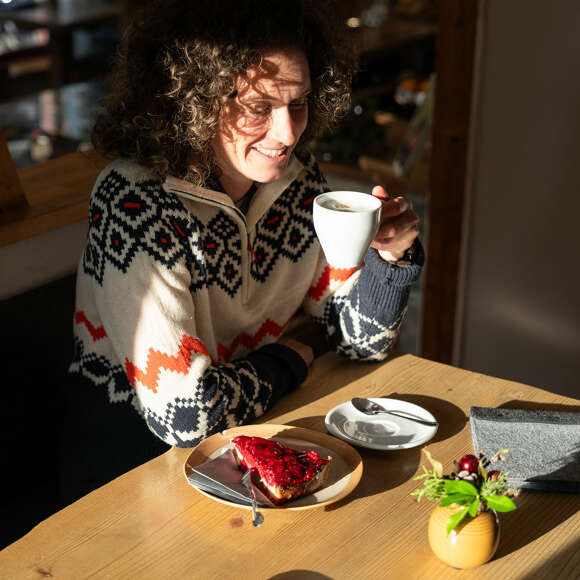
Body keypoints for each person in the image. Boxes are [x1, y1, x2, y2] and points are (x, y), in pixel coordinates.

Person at [62, 0, 423, 501]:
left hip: (257, 433)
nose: (289, 132)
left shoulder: (300, 183)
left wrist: (391, 261)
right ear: (195, 99)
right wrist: (295, 353)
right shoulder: (136, 200)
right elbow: (186, 415)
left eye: (299, 103)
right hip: (130, 465)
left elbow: (358, 342)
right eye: (260, 108)